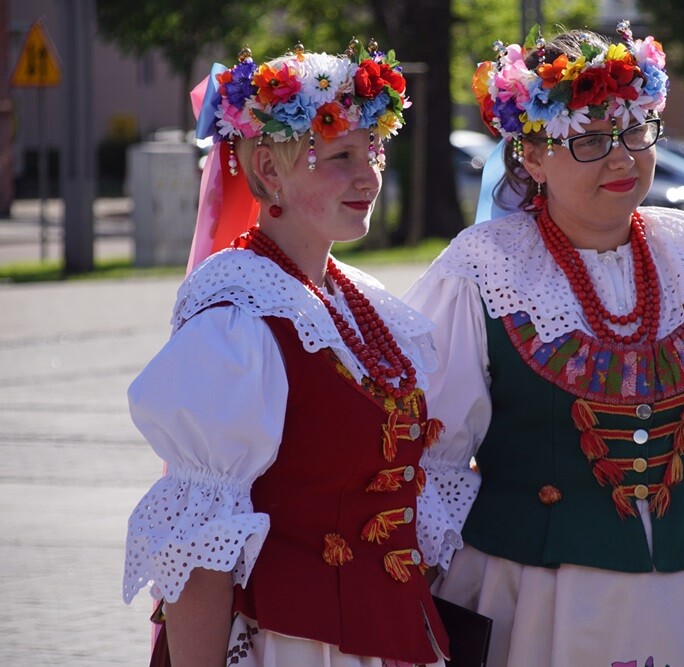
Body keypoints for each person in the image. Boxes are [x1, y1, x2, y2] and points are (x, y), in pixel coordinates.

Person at [404, 22, 684, 667]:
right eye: (591, 140)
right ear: (533, 157)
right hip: (537, 607)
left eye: (634, 131)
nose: (623, 158)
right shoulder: (483, 270)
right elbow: (432, 469)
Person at [122, 40, 450, 667]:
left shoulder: (360, 303)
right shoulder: (238, 321)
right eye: (340, 156)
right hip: (292, 643)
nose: (368, 176)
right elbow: (200, 552)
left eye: (372, 151)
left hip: (388, 636)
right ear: (270, 171)